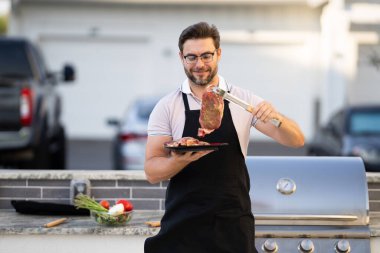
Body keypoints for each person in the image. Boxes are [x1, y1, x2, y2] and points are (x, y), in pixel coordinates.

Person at [144, 22, 305, 253]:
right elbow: (151, 171)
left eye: (206, 56)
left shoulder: (243, 100)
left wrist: (276, 117)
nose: (199, 64)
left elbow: (296, 140)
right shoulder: (167, 106)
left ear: (218, 53)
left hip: (232, 227)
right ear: (181, 57)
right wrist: (180, 160)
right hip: (182, 227)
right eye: (191, 57)